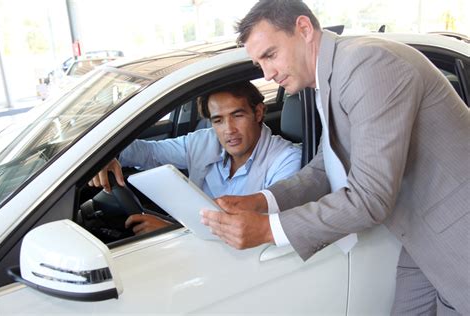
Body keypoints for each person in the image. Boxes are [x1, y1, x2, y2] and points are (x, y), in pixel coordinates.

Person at [200, 1, 469, 314]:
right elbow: (323, 169)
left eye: (270, 55)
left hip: (458, 236)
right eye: (260, 63)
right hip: (421, 236)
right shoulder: (330, 76)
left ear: (304, 29)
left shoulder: (367, 65)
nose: (268, 74)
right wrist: (260, 201)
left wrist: (266, 229)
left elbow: (369, 199)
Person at [90, 80, 302, 236]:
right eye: (218, 120)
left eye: (237, 115)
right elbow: (150, 153)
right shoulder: (204, 141)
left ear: (258, 112)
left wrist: (176, 233)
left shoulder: (286, 160)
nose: (229, 130)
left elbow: (258, 232)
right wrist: (110, 155)